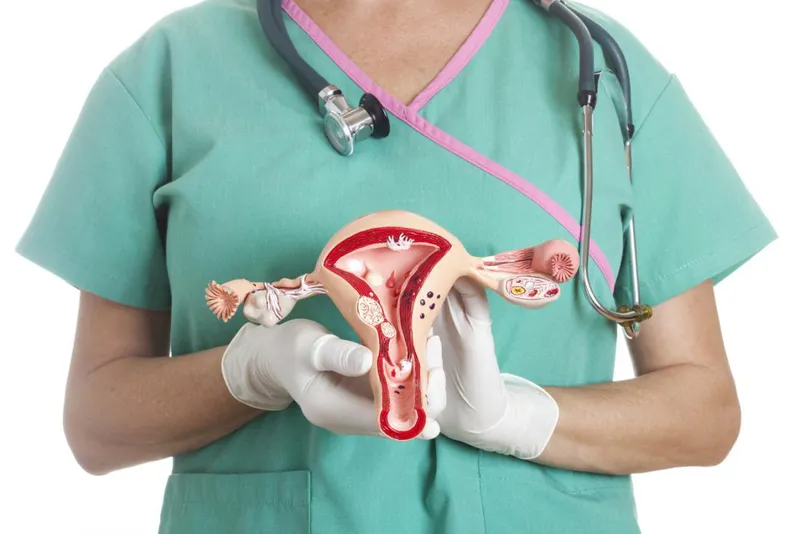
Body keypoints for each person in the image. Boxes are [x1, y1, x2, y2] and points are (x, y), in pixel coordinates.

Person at [15, 0, 777, 532]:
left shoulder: (605, 76)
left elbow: (704, 414)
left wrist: (521, 420)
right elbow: (95, 424)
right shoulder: (173, 72)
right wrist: (250, 372)